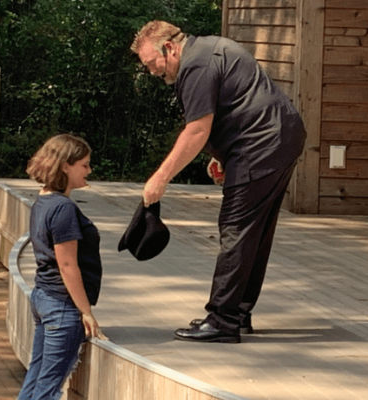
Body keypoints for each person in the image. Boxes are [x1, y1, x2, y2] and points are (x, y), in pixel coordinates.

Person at [131, 21, 306, 343]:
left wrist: (160, 178)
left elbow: (197, 130)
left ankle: (223, 321)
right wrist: (222, 154)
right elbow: (237, 104)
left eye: (151, 63)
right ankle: (237, 313)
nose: (152, 71)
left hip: (260, 146)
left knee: (236, 229)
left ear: (169, 48)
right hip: (280, 138)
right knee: (255, 231)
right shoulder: (209, 48)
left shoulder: (195, 65)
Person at [17, 134, 107, 400]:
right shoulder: (64, 208)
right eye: (84, 165)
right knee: (47, 389)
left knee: (35, 380)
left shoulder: (44, 200)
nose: (89, 171)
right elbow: (67, 265)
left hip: (43, 297)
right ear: (66, 166)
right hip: (62, 305)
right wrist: (86, 312)